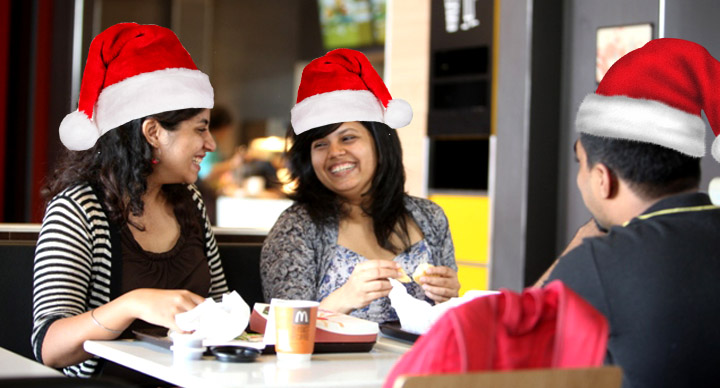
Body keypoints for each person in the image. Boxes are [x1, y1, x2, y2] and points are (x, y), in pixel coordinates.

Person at [31, 23, 228, 378]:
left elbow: (221, 308)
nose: (211, 144)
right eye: (200, 128)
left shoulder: (191, 203)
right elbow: (50, 346)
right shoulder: (78, 209)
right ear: (153, 132)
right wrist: (133, 303)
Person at [537, 38, 720, 388]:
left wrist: (573, 253)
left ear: (603, 179)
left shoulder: (598, 262)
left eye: (581, 163)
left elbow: (509, 340)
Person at [260, 49, 460, 323]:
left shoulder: (430, 218)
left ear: (379, 142)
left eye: (348, 137)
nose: (335, 153)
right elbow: (281, 328)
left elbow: (446, 323)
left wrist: (449, 300)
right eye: (320, 144)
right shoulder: (297, 228)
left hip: (417, 365)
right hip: (330, 366)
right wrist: (343, 299)